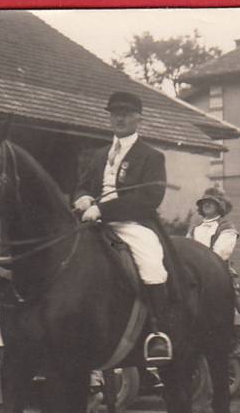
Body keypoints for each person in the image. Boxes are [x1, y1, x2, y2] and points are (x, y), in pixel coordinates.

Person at [72, 90, 172, 363]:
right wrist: (81, 196)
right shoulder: (98, 154)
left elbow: (149, 199)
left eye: (126, 114)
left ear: (138, 117)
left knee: (152, 265)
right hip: (91, 220)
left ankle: (158, 332)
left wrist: (103, 209)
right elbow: (83, 184)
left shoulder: (151, 156)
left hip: (130, 222)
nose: (120, 118)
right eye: (115, 114)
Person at [187, 186, 240, 359]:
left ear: (219, 206)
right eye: (204, 202)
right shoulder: (195, 228)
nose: (206, 205)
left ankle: (236, 340)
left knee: (230, 297)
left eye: (211, 202)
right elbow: (187, 247)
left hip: (216, 270)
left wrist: (203, 265)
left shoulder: (226, 227)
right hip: (193, 271)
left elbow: (222, 251)